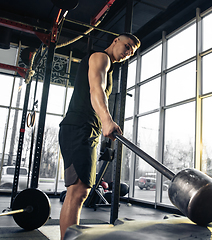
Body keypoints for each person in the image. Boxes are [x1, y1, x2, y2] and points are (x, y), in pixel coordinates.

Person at [58, 33, 140, 240]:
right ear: (115, 41)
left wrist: (102, 125)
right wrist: (106, 120)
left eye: (132, 51)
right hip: (79, 127)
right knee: (77, 191)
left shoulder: (108, 65)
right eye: (127, 45)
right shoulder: (100, 58)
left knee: (80, 191)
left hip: (87, 130)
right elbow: (96, 90)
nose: (128, 52)